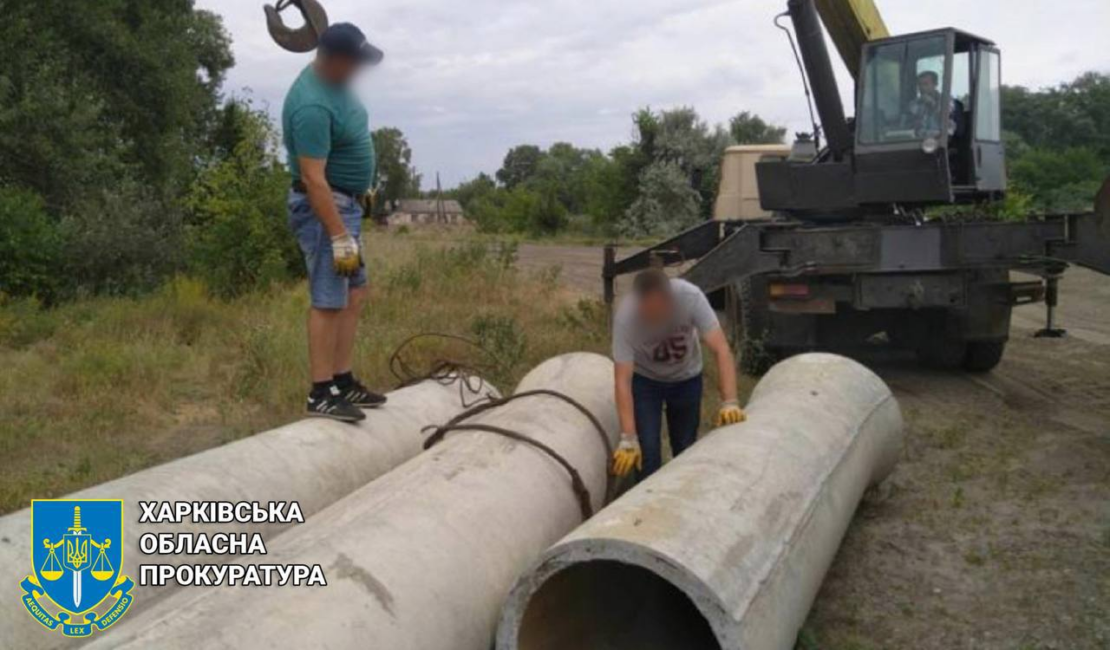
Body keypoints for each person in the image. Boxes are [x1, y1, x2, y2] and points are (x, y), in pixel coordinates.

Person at [283, 23, 387, 422]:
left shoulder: (334, 81)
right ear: (335, 60)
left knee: (355, 292)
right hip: (325, 211)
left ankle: (342, 381)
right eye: (354, 63)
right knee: (328, 299)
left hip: (346, 208)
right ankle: (320, 392)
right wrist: (339, 234)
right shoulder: (311, 105)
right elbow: (312, 179)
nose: (358, 70)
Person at [610, 270, 746, 479]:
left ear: (669, 300)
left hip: (686, 378)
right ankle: (646, 503)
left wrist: (730, 401)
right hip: (646, 381)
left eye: (657, 310)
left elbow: (721, 349)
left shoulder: (691, 298)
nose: (652, 316)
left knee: (685, 447)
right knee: (647, 451)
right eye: (646, 311)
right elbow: (622, 380)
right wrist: (628, 437)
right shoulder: (626, 318)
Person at [906, 70, 956, 138]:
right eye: (920, 84)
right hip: (919, 139)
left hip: (942, 139)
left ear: (935, 84)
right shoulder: (914, 104)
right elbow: (910, 124)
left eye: (925, 84)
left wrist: (933, 105)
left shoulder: (946, 100)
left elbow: (947, 115)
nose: (922, 87)